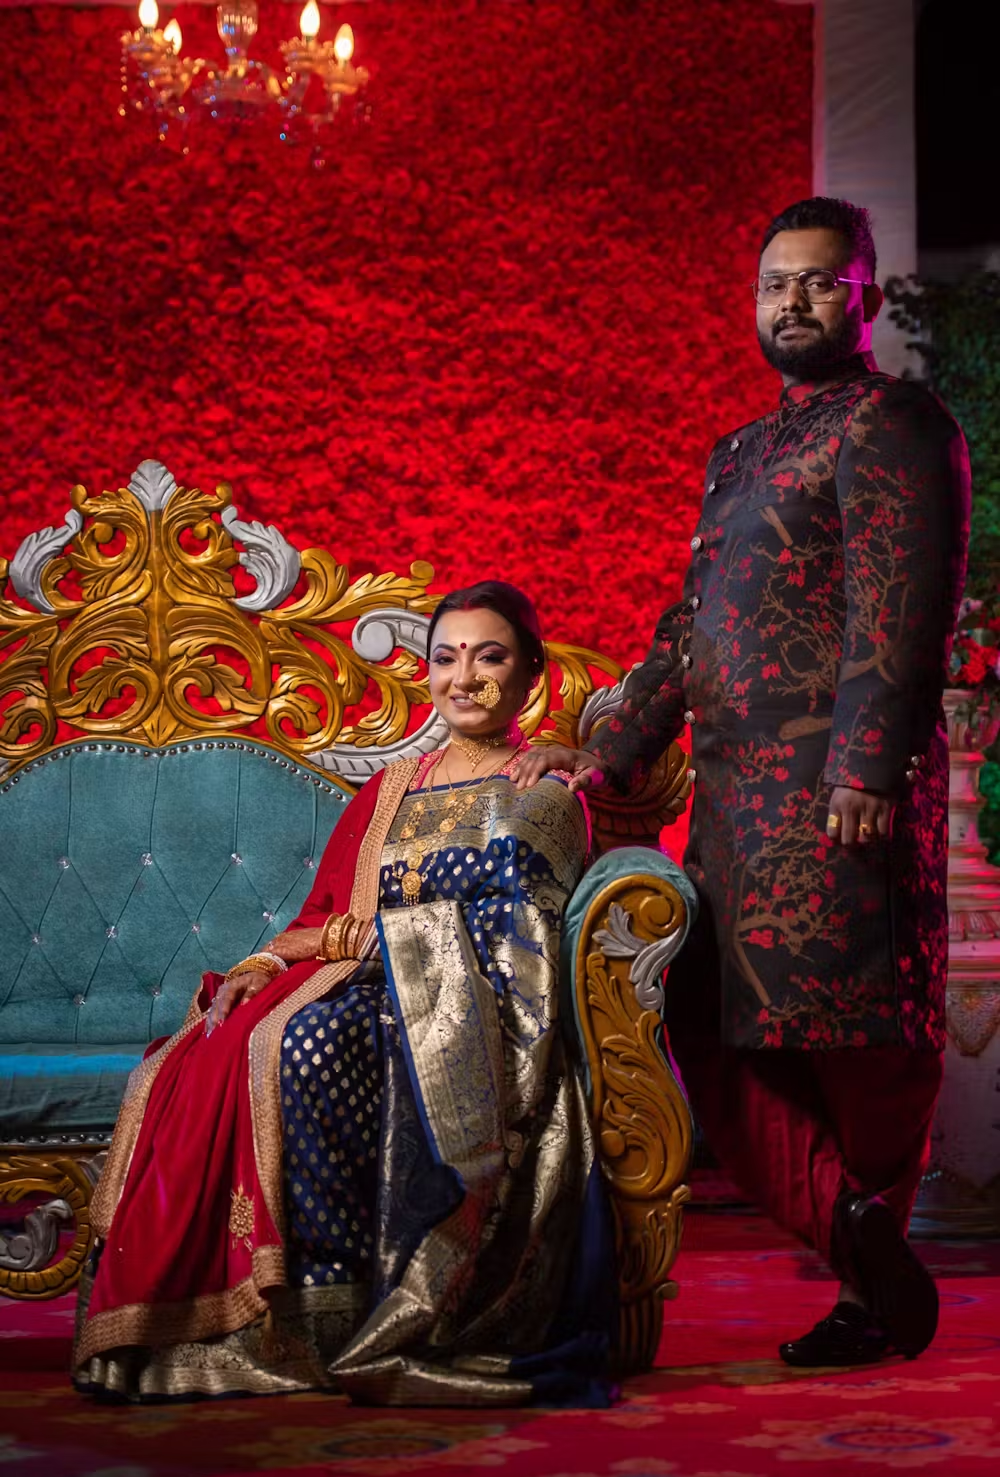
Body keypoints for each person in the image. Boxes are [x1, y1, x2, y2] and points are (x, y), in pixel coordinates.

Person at [515, 197, 971, 1367]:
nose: (794, 301)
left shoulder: (895, 420)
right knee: (710, 1028)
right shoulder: (742, 450)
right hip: (735, 805)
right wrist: (613, 746)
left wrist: (869, 765)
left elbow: (904, 603)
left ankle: (867, 1287)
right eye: (776, 283)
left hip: (839, 795)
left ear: (861, 295)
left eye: (819, 282)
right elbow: (693, 627)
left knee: (867, 1040)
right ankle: (861, 1243)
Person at [73, 581, 616, 1405]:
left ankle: (373, 1308)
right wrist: (267, 963)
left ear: (531, 673)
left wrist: (397, 950)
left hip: (477, 1016)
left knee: (308, 1041)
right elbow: (321, 914)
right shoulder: (390, 789)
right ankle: (300, 1315)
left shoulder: (544, 789)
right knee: (253, 1041)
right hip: (372, 987)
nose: (463, 677)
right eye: (446, 658)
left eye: (490, 655)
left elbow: (522, 939)